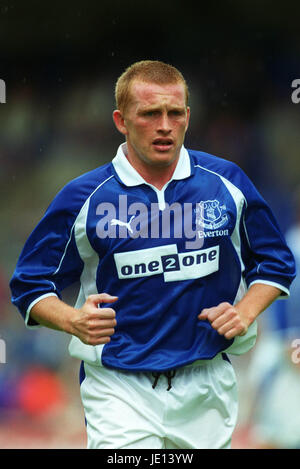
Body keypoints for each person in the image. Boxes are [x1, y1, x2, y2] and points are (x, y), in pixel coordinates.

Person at [10, 60, 296, 449]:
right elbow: (30, 283)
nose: (164, 125)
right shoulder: (84, 197)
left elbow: (275, 263)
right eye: (149, 114)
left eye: (174, 113)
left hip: (207, 385)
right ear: (121, 120)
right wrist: (73, 319)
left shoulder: (228, 183)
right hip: (119, 386)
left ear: (187, 116)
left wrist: (244, 311)